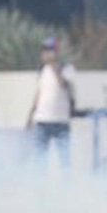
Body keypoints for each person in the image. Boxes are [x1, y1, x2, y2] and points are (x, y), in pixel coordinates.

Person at [27, 36, 75, 168]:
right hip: (42, 121)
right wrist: (31, 116)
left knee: (65, 160)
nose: (46, 54)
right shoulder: (42, 70)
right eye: (45, 50)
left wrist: (53, 65)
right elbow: (39, 94)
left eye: (50, 50)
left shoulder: (66, 68)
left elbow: (63, 84)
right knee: (40, 160)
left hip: (60, 121)